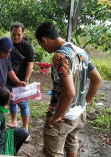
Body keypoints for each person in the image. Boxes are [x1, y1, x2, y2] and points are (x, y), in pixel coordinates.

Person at [35, 21, 102, 157]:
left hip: (63, 116)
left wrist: (55, 118)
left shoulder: (60, 56)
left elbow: (69, 93)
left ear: (44, 40)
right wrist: (84, 102)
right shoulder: (80, 51)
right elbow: (97, 80)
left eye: (41, 44)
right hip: (78, 113)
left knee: (54, 153)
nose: (42, 47)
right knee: (71, 144)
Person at [6, 22, 34, 142]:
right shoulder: (7, 45)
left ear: (23, 34)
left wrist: (26, 80)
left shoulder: (27, 47)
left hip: (23, 81)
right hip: (8, 80)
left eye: (18, 34)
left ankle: (25, 129)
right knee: (12, 101)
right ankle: (13, 121)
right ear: (10, 33)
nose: (16, 37)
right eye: (13, 34)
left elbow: (30, 64)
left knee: (23, 104)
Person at [0, 87, 29, 156]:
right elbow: (1, 135)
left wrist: (7, 96)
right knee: (24, 132)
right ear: (7, 102)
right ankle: (10, 152)